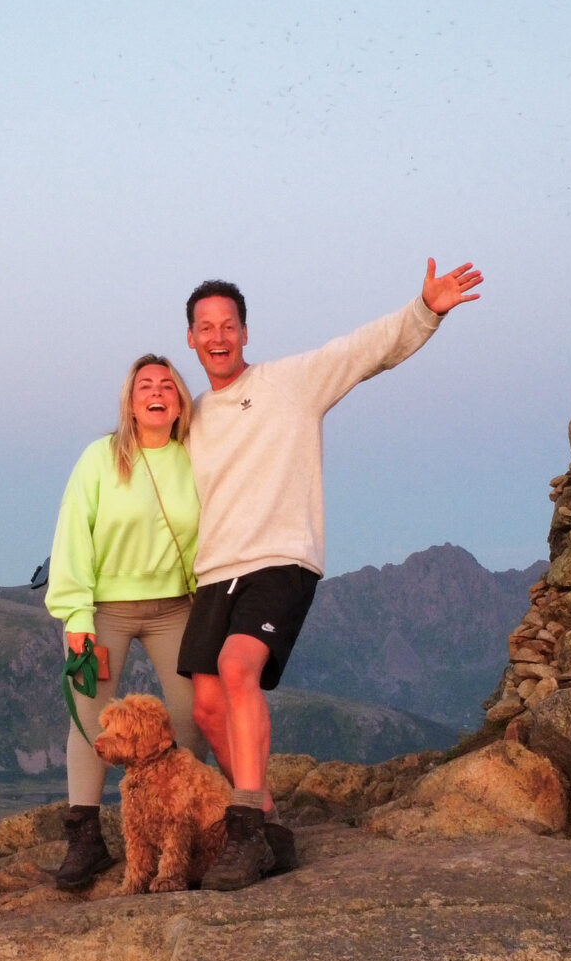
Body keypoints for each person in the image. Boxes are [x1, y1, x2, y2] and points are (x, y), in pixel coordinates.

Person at [178, 259, 485, 889]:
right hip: (215, 571)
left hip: (281, 559)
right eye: (205, 327)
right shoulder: (192, 421)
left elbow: (365, 351)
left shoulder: (292, 381)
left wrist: (426, 309)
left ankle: (243, 830)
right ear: (191, 338)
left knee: (239, 670)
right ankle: (264, 821)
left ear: (244, 332)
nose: (217, 337)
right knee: (207, 705)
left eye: (227, 325)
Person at [42, 353, 208, 891]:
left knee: (190, 718)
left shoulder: (196, 457)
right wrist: (75, 613)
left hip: (176, 607)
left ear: (180, 398)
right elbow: (74, 533)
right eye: (145, 386)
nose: (156, 392)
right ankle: (85, 840)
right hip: (106, 608)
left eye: (167, 385)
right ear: (130, 401)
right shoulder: (99, 458)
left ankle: (184, 833)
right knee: (92, 722)